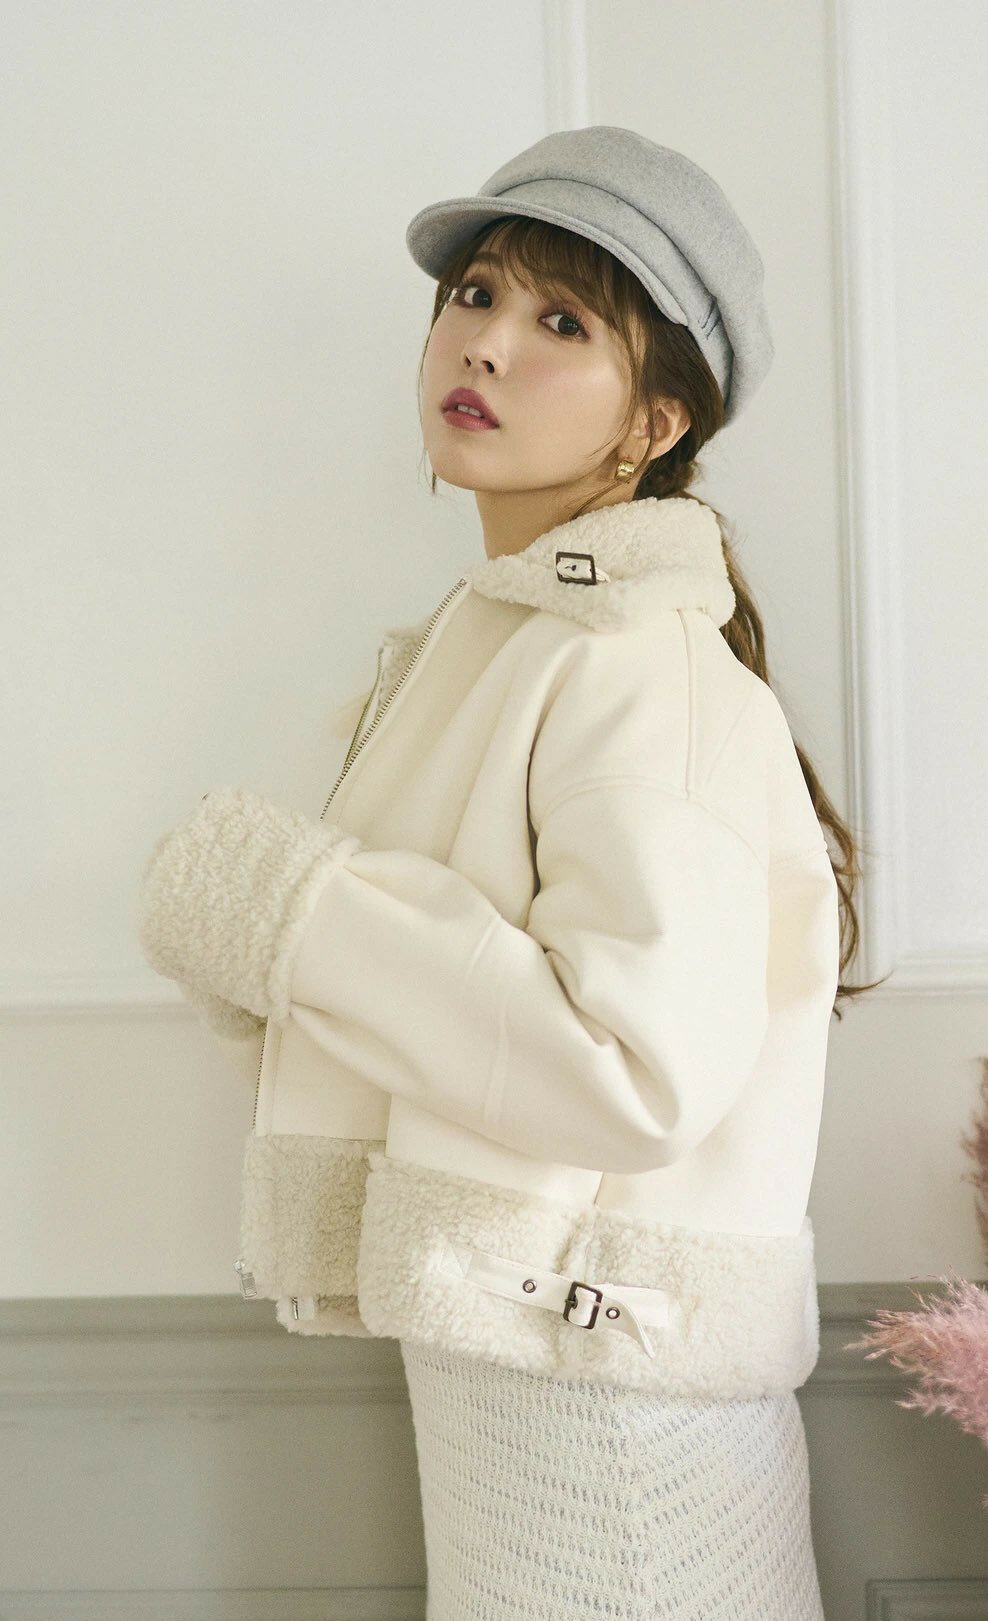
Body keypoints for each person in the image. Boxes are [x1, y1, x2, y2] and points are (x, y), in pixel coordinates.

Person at [137, 125, 885, 1620]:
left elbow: (630, 1069)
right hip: (533, 1382)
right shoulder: (500, 647)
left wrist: (291, 911)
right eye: (475, 294)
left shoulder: (632, 668)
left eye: (562, 323)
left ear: (654, 420)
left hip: (618, 1430)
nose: (485, 343)